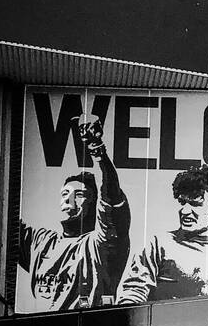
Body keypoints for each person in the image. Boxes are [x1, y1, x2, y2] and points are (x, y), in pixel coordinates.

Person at [19, 114, 131, 309]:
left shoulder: (101, 244)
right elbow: (6, 225)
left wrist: (98, 151)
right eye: (64, 193)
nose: (68, 199)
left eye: (78, 194)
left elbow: (111, 197)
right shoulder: (41, 243)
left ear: (94, 203)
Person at [116, 164, 208, 302]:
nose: (185, 211)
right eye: (182, 202)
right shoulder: (157, 243)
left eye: (195, 204)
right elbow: (132, 294)